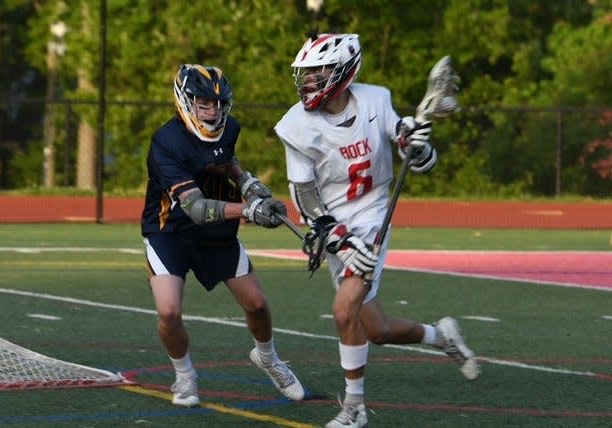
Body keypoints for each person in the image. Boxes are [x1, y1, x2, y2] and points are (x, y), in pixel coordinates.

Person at [274, 33, 479, 427]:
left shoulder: (375, 99)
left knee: (343, 308)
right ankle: (443, 337)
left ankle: (354, 408)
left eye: (319, 72)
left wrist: (415, 145)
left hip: (372, 217)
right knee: (376, 329)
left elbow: (418, 158)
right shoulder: (296, 126)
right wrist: (336, 237)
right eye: (306, 74)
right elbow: (304, 195)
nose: (309, 81)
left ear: (344, 72)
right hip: (334, 226)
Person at [141, 63, 304, 407]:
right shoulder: (166, 144)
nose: (213, 111)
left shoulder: (229, 128)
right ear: (185, 101)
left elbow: (224, 158)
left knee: (257, 304)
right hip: (170, 232)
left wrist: (247, 182)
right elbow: (195, 208)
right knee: (169, 312)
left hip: (216, 232)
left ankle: (268, 356)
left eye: (218, 103)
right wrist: (248, 210)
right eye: (204, 103)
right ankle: (184, 375)